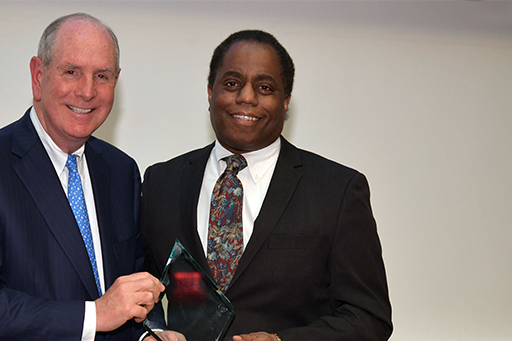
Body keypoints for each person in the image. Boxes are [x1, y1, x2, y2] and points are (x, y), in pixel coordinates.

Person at [141, 30, 393, 341]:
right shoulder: (160, 183)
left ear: (285, 101)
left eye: (265, 87)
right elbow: (140, 290)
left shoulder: (337, 191)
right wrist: (151, 334)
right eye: (232, 84)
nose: (246, 97)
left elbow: (369, 318)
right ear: (210, 92)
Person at [0, 13, 164, 341]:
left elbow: (129, 290)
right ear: (38, 76)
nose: (87, 91)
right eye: (71, 72)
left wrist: (147, 335)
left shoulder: (121, 171)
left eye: (102, 76)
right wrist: (92, 316)